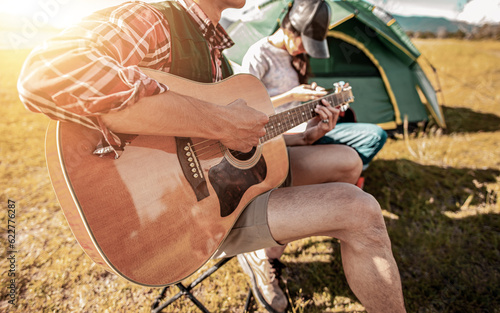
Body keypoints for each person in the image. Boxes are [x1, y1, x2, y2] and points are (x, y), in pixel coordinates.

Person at [17, 1, 406, 312]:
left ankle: (265, 254)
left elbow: (234, 143)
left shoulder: (218, 57)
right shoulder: (156, 20)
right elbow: (46, 72)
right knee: (361, 210)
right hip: (181, 219)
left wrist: (306, 136)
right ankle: (261, 257)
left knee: (346, 161)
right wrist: (218, 122)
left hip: (225, 194)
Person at [238, 1, 388, 311]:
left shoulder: (299, 59)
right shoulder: (259, 54)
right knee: (346, 160)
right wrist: (292, 96)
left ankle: (320, 184)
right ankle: (266, 249)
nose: (302, 51)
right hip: (275, 142)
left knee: (372, 136)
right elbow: (241, 112)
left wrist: (322, 118)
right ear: (288, 29)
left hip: (304, 135)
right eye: (302, 43)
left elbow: (304, 117)